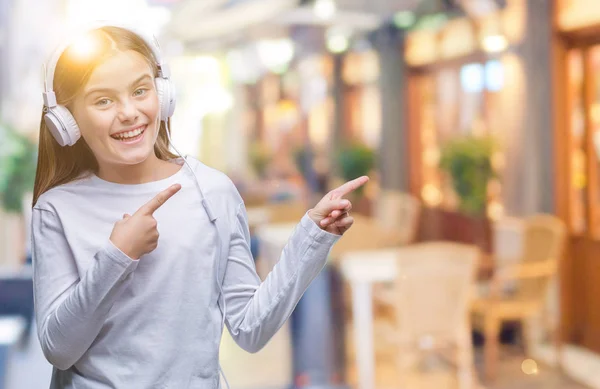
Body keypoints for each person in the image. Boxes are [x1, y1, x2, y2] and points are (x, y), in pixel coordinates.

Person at [31, 22, 368, 389]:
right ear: (67, 119)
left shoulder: (211, 190)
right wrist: (116, 256)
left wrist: (312, 238)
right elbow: (58, 349)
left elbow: (250, 329)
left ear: (163, 93)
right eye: (103, 100)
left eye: (140, 90)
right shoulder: (56, 209)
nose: (128, 112)